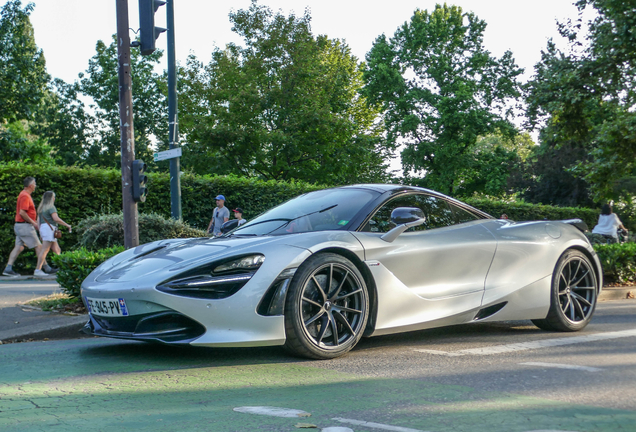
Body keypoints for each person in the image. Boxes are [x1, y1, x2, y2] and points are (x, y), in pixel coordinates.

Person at [2, 177, 54, 277]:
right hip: (25, 226)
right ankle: (43, 269)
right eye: (34, 183)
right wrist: (34, 223)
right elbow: (22, 213)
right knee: (39, 246)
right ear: (30, 185)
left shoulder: (24, 195)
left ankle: (8, 268)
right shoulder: (25, 196)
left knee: (19, 247)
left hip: (20, 226)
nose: (35, 185)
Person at [34, 191, 72, 276]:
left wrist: (40, 233)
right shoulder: (51, 207)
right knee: (44, 250)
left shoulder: (41, 208)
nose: (54, 198)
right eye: (54, 197)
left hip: (45, 229)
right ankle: (37, 270)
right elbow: (56, 219)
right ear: (51, 198)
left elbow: (38, 221)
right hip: (49, 229)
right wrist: (67, 225)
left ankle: (62, 268)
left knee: (57, 250)